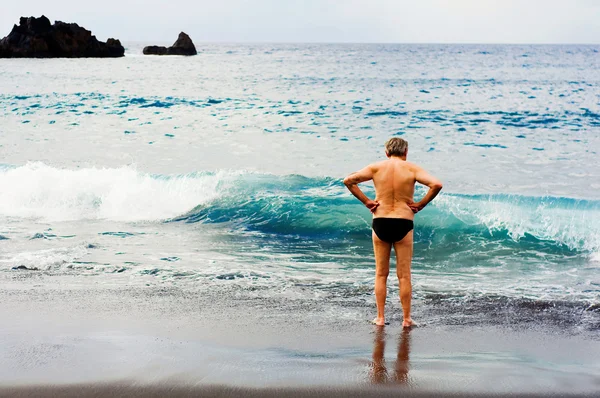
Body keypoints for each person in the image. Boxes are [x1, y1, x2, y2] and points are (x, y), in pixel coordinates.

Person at [343, 138, 443, 327]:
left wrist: (367, 201)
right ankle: (406, 319)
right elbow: (436, 184)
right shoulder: (412, 168)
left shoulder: (376, 168)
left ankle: (380, 318)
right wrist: (421, 204)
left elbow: (349, 180)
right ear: (406, 152)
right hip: (403, 222)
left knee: (381, 274)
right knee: (404, 275)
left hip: (380, 221)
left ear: (386, 153)